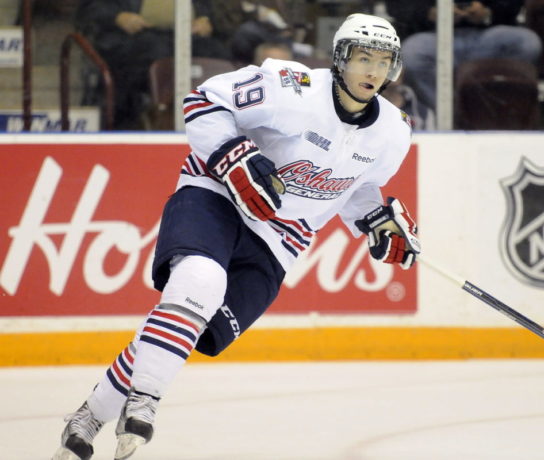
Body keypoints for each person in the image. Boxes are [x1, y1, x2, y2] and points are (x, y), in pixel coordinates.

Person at [52, 13, 420, 460]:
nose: (374, 72)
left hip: (281, 241)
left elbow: (357, 186)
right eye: (364, 58)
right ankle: (144, 401)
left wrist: (376, 221)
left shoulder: (393, 132)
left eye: (384, 62)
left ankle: (88, 417)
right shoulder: (292, 86)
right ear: (341, 58)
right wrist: (232, 156)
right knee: (200, 282)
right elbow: (203, 103)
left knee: (193, 325)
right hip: (217, 196)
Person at [75, 0, 230, 130]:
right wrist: (117, 17)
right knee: (155, 52)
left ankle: (220, 127)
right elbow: (88, 9)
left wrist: (207, 20)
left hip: (188, 36)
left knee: (219, 54)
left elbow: (219, 12)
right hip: (133, 38)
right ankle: (151, 121)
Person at [385, 0, 542, 119]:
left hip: (487, 36)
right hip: (432, 36)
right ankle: (445, 117)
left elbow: (513, 4)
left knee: (527, 43)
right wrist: (428, 13)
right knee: (412, 52)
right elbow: (396, 7)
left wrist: (487, 11)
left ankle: (492, 111)